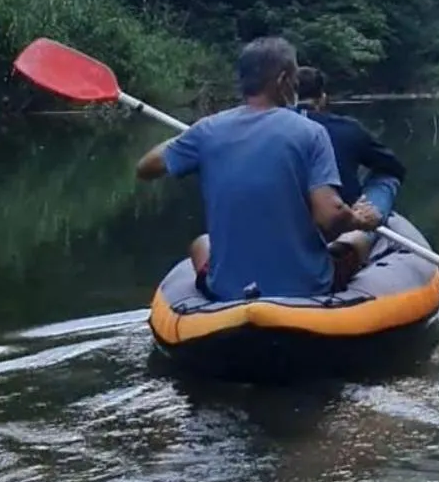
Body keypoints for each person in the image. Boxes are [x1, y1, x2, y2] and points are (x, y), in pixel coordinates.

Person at [135, 36, 354, 302]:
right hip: (305, 289)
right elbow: (329, 217)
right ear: (283, 80)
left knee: (202, 243)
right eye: (294, 77)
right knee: (360, 241)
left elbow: (145, 168)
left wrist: (191, 137)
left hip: (227, 293)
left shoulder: (207, 131)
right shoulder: (312, 132)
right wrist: (358, 221)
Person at [294, 65, 406, 282]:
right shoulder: (346, 129)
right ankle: (363, 224)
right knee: (386, 178)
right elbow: (393, 167)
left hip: (292, 217)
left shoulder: (270, 134)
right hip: (336, 217)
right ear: (322, 98)